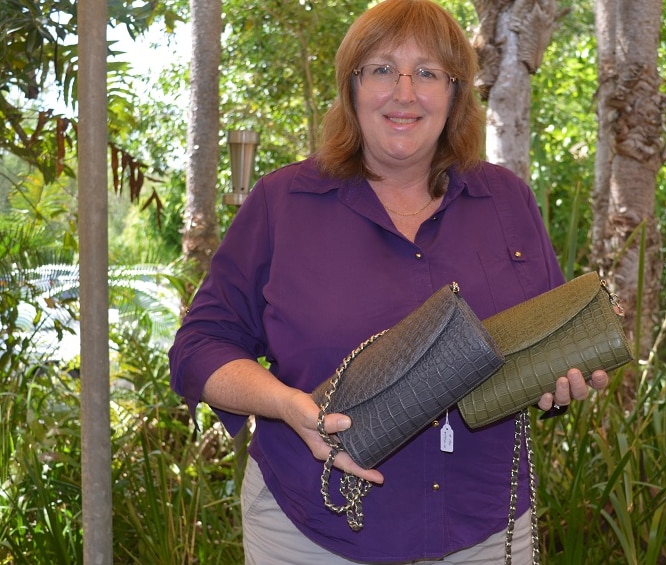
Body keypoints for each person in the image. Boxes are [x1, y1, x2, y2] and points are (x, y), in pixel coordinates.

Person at [169, 0, 609, 563]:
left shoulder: (506, 200)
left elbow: (542, 344)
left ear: (455, 94)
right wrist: (285, 403)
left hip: (485, 526)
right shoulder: (284, 202)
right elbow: (199, 349)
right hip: (312, 529)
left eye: (428, 73)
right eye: (381, 69)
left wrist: (560, 384)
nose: (404, 93)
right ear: (351, 88)